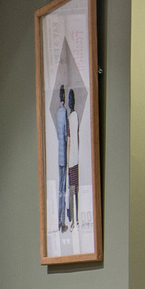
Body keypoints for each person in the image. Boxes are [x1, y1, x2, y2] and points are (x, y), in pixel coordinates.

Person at [65, 86, 80, 232]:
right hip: (77, 157)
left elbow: (68, 141)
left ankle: (73, 222)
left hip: (72, 159)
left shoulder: (70, 119)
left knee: (71, 188)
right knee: (76, 188)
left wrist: (67, 162)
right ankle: (76, 220)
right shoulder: (76, 116)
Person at [55, 83, 69, 232]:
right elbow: (65, 135)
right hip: (64, 157)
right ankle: (62, 220)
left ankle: (60, 220)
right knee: (63, 190)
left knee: (61, 190)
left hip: (59, 157)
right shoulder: (64, 114)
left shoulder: (59, 112)